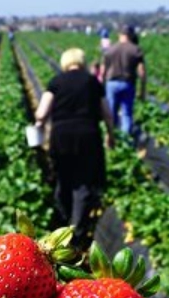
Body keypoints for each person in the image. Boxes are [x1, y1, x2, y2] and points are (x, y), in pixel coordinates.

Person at [35, 48, 115, 251]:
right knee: (82, 184)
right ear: (82, 61)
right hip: (88, 136)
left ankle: (62, 224)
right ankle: (76, 234)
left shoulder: (56, 81)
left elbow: (41, 113)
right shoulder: (92, 82)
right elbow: (107, 113)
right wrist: (110, 135)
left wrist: (39, 130)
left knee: (63, 179)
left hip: (61, 137)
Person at [101, 25, 145, 137]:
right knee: (126, 114)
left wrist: (101, 88)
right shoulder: (136, 49)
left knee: (111, 113)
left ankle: (111, 138)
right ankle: (126, 140)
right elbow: (142, 72)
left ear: (119, 34)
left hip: (111, 83)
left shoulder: (110, 49)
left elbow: (102, 71)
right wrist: (142, 90)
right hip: (128, 83)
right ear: (131, 35)